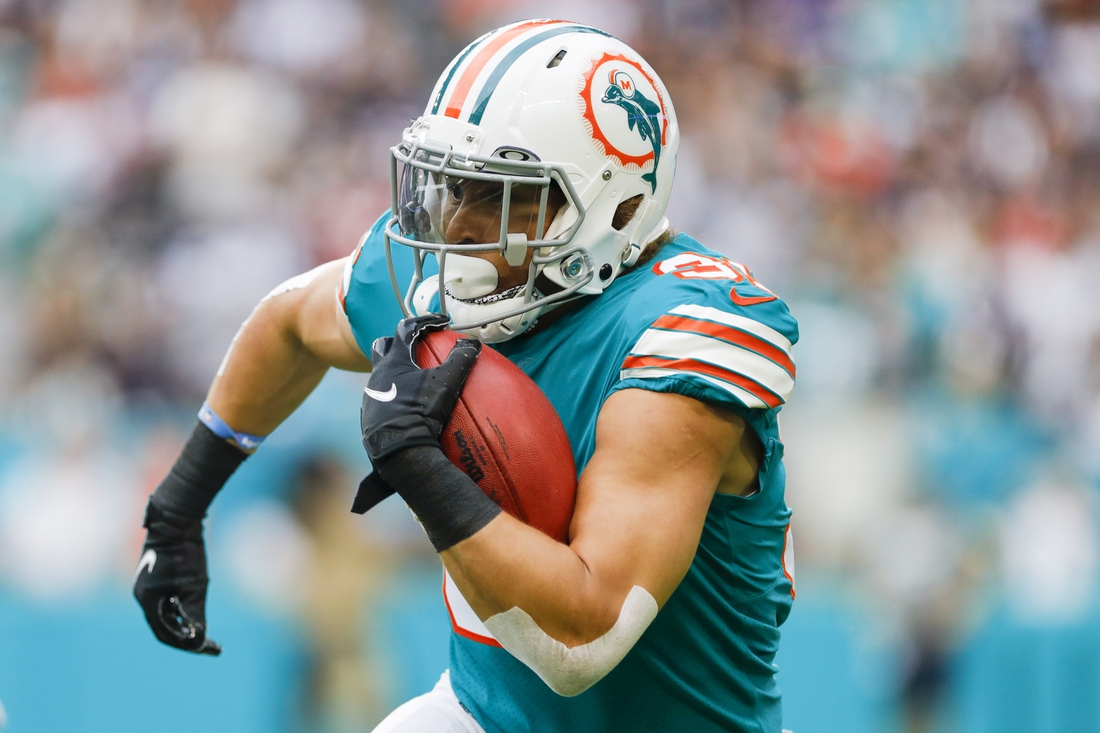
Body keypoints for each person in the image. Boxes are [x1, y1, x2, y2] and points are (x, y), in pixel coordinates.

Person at [133, 18, 799, 733]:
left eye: (501, 195)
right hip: (486, 713)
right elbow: (290, 322)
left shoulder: (675, 337)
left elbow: (583, 639)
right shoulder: (449, 278)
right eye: (454, 184)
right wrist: (179, 508)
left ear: (620, 207)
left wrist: (418, 467)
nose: (457, 223)